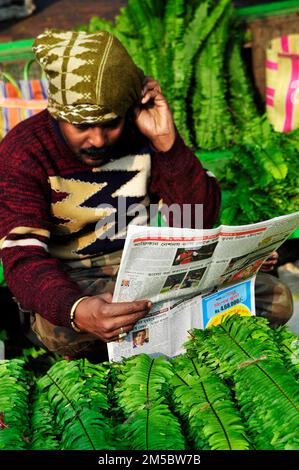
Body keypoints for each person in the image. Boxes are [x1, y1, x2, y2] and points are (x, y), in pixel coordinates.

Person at [0, 30, 292, 360]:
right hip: (76, 275)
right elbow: (23, 258)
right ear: (57, 112)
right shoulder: (23, 153)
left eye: (110, 123)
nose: (98, 140)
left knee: (274, 298)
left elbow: (196, 220)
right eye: (82, 126)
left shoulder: (143, 133)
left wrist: (168, 145)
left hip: (154, 266)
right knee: (68, 334)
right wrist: (77, 308)